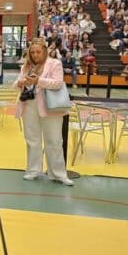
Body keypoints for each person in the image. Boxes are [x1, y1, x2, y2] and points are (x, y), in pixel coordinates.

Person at [15, 38, 73, 186]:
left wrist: (38, 81)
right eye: (32, 52)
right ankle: (33, 171)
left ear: (45, 51)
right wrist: (21, 82)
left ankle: (58, 174)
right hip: (29, 104)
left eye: (38, 52)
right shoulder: (26, 66)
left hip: (50, 106)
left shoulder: (55, 63)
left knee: (54, 140)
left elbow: (58, 83)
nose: (35, 55)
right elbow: (17, 83)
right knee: (32, 139)